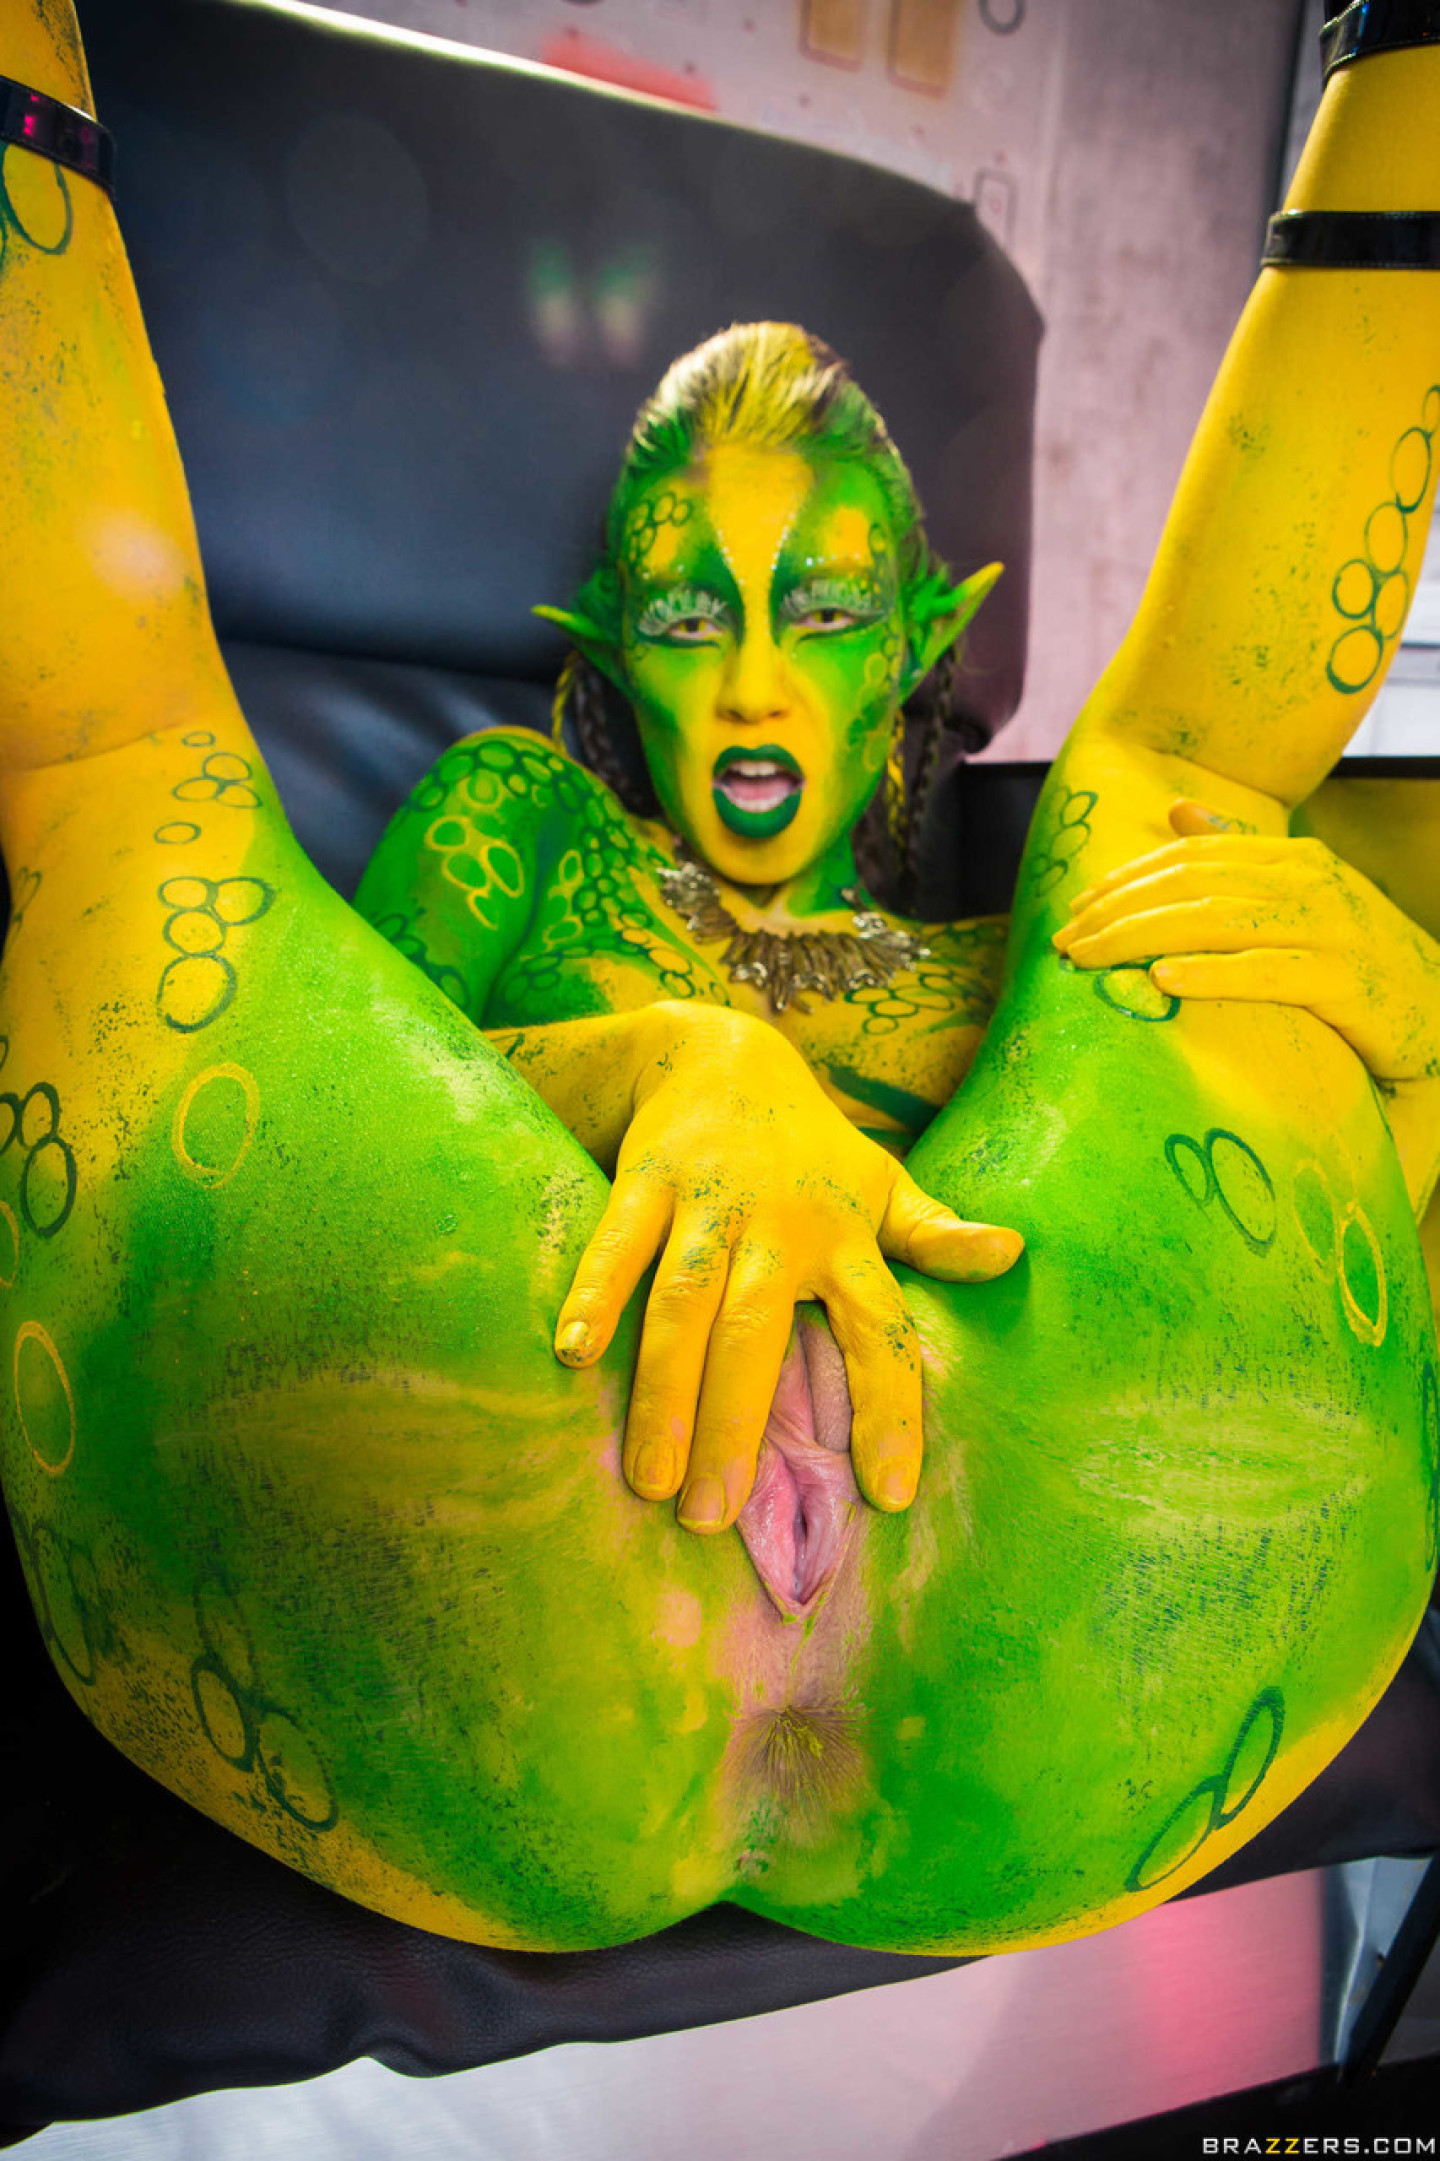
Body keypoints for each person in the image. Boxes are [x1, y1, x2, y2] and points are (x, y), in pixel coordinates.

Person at [0, 0, 1437, 1957]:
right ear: (607, 646)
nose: (756, 681)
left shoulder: (1019, 962)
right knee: (126, 774)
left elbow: (1242, 1244)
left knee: (1197, 799)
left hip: (1091, 1621)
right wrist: (671, 1067)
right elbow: (368, 1097)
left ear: (914, 644)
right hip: (464, 1560)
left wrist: (1411, 1047)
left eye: (823, 606)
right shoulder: (524, 820)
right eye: (690, 613)